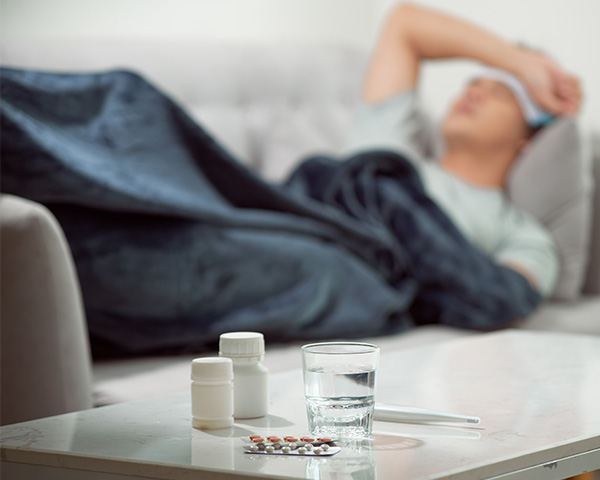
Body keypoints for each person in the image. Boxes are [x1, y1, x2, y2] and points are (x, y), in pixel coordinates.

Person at [345, 2, 582, 298]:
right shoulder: (390, 152)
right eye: (472, 83)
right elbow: (403, 24)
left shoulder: (520, 234)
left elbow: (505, 298)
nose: (474, 92)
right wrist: (520, 63)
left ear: (528, 140)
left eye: (500, 93)